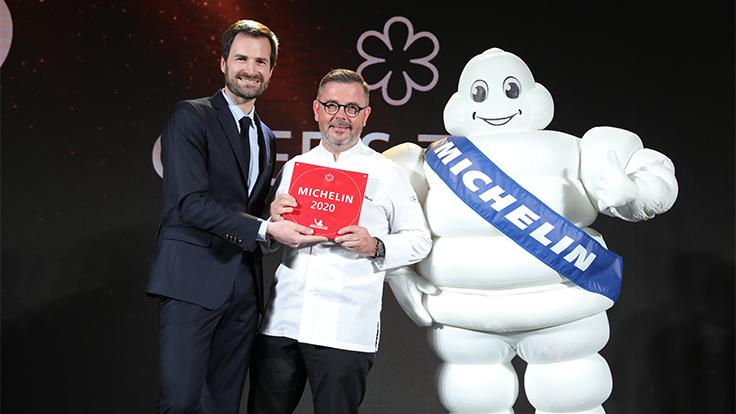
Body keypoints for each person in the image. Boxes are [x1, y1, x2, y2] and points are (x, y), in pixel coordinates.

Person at [147, 20, 325, 414]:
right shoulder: (191, 116)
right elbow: (189, 203)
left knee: (224, 404)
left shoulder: (265, 134)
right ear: (223, 63)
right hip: (192, 282)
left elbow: (246, 207)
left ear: (271, 71)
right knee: (181, 402)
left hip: (244, 289)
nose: (251, 69)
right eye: (241, 58)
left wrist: (270, 212)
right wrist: (263, 225)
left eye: (261, 61)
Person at [247, 69, 432, 414]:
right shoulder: (295, 167)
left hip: (345, 329)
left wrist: (375, 244)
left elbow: (420, 241)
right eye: (332, 106)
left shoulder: (387, 172)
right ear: (316, 109)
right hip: (283, 320)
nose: (340, 117)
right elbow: (267, 239)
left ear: (366, 115)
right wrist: (273, 221)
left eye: (351, 108)